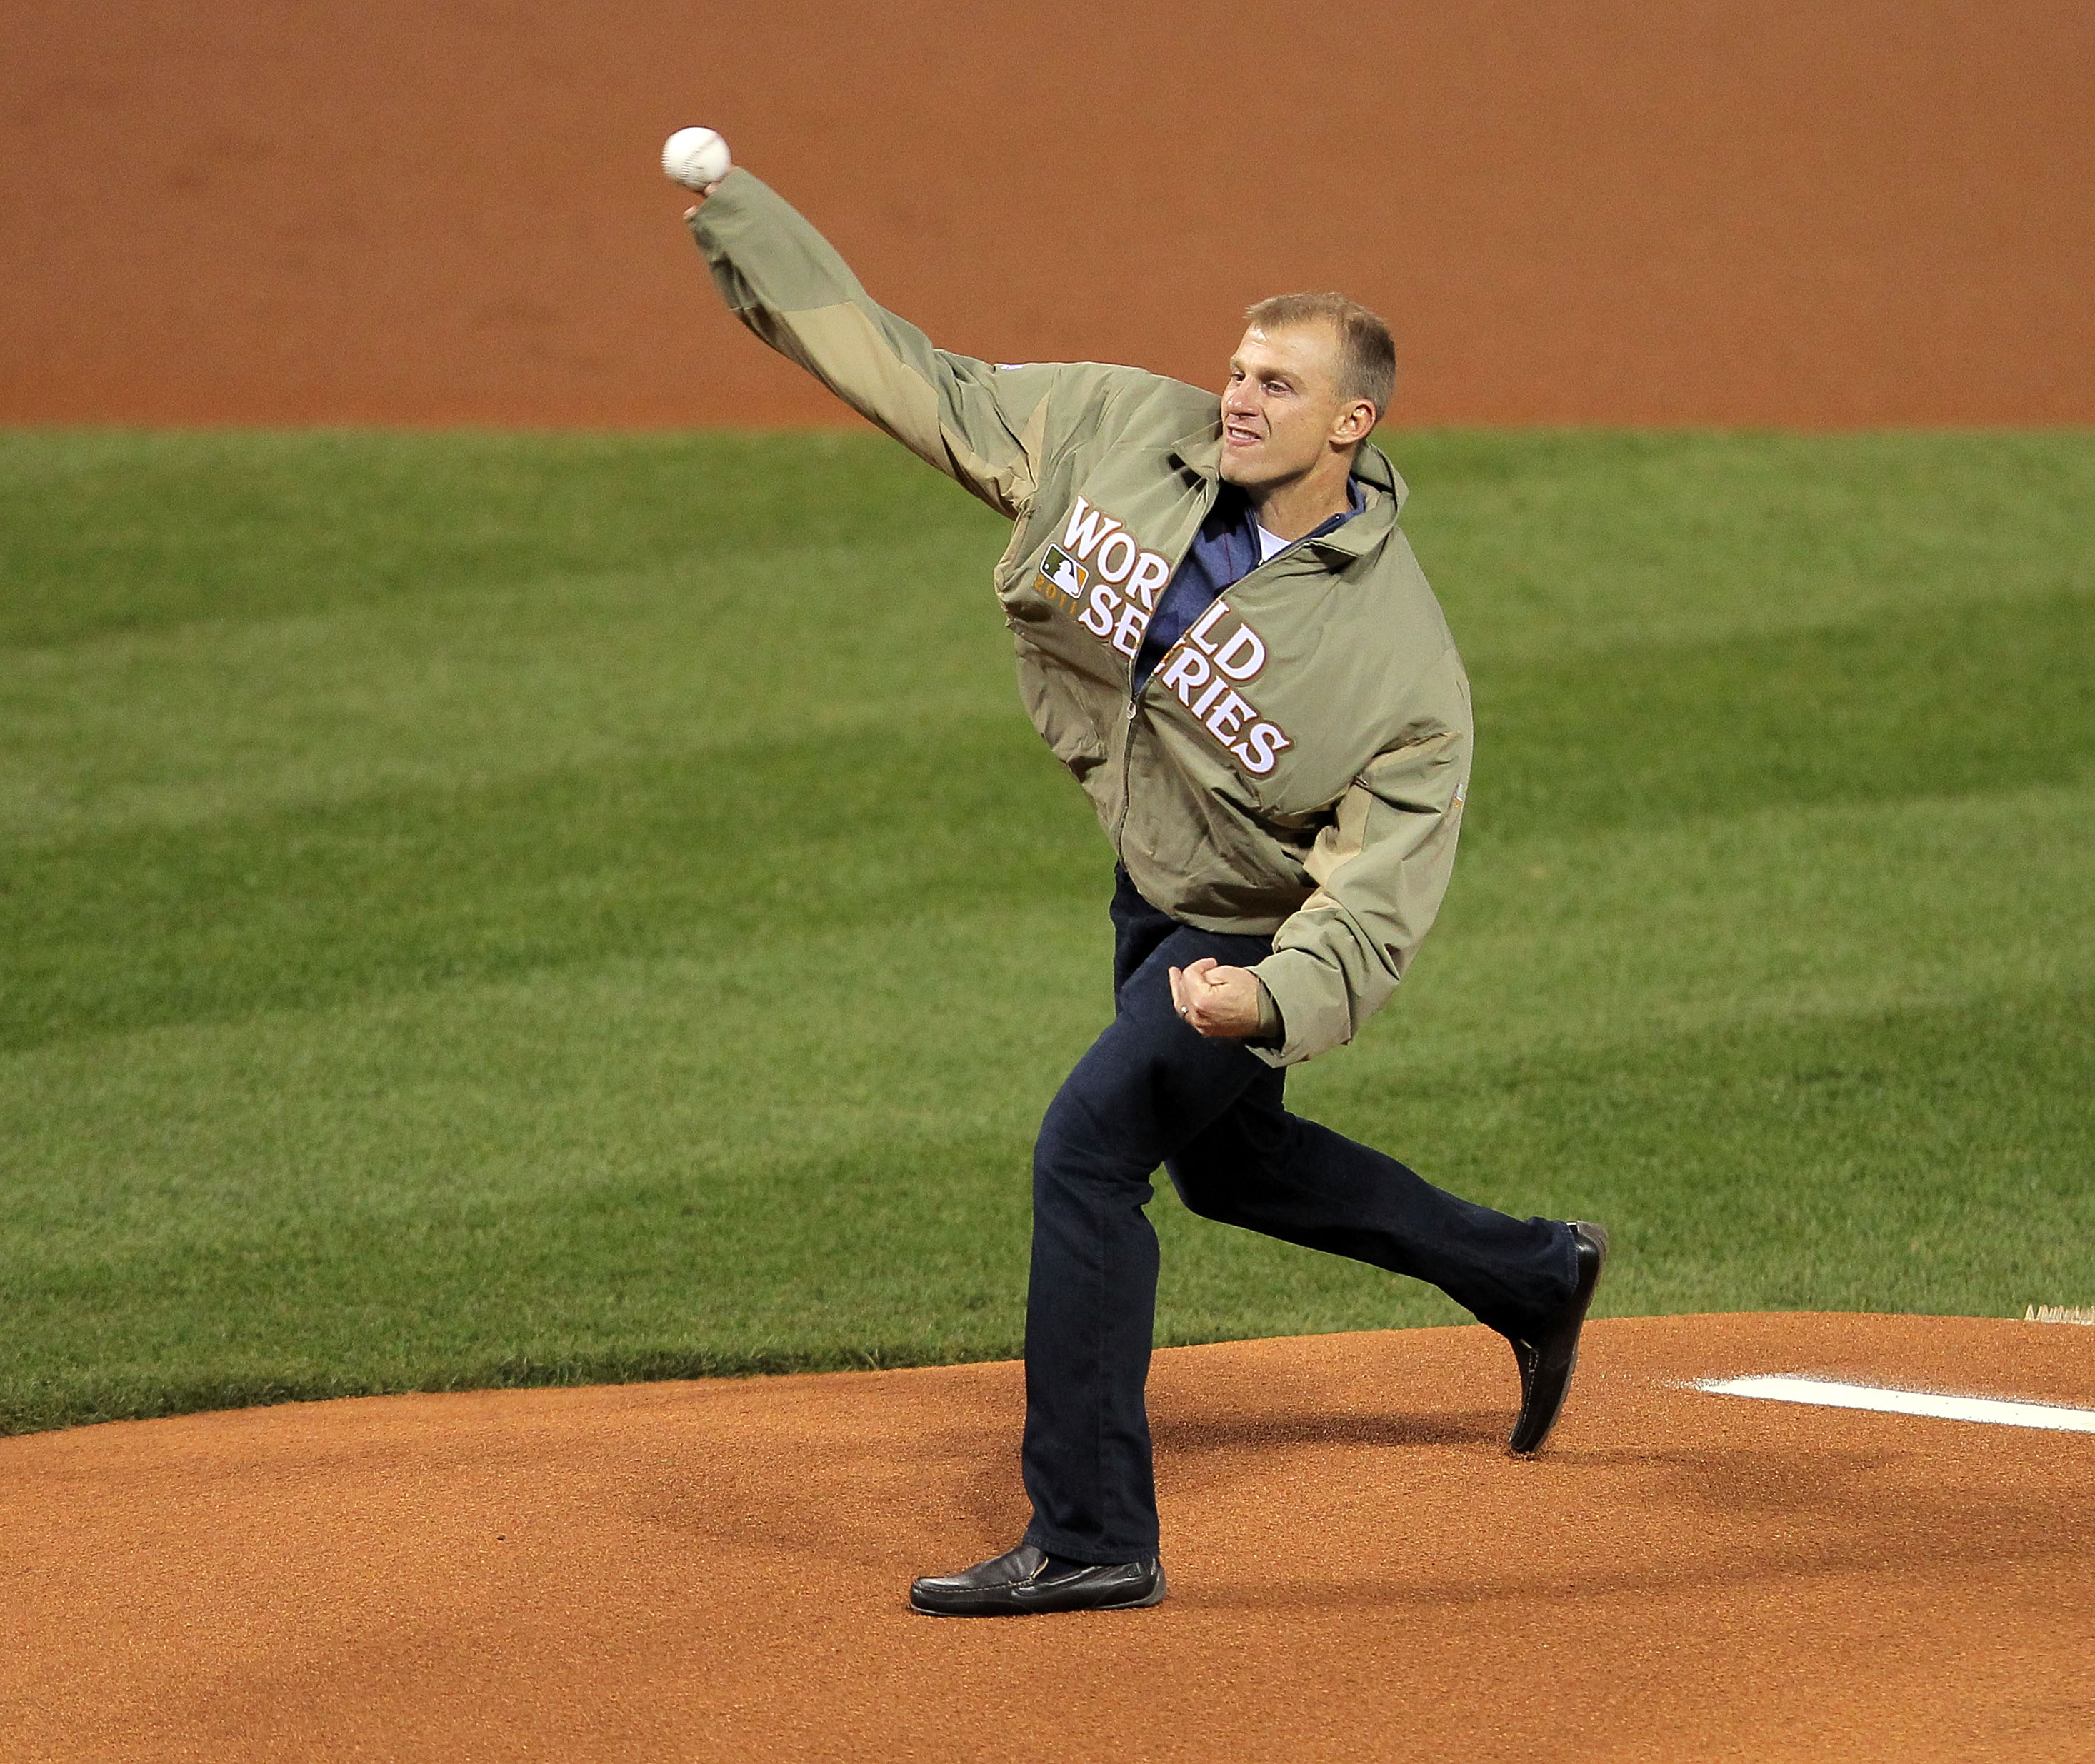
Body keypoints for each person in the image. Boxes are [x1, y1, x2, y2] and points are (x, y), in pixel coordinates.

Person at [679, 155, 1605, 1618]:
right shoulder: (1116, 427)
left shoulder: (1400, 668)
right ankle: (1534, 1271)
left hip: (1240, 932)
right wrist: (741, 221)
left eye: (1278, 385)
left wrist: (1264, 993)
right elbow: (921, 380)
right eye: (1235, 368)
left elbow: (1373, 900)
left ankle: (1095, 1528)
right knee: (1229, 1164)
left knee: (1087, 1151)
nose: (1237, 397)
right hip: (1150, 883)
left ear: (1351, 424)